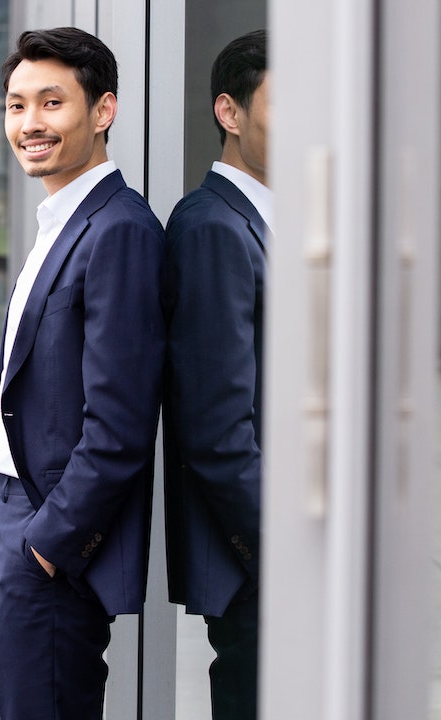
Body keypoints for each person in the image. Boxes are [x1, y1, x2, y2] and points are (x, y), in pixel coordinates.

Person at [0, 27, 166, 720]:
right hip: (9, 510)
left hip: (43, 530)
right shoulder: (60, 220)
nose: (30, 124)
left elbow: (119, 425)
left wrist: (46, 548)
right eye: (17, 105)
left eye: (51, 103)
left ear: (103, 111)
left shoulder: (118, 230)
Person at [162, 29, 270, 720]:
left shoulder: (264, 220)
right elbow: (214, 425)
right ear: (229, 114)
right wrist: (281, 550)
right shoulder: (212, 228)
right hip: (258, 558)